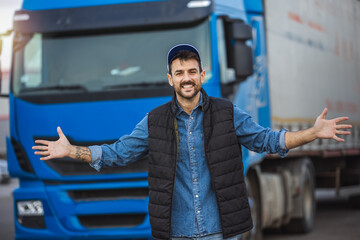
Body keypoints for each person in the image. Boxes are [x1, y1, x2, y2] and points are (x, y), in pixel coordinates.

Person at [32, 44, 352, 240]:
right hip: (175, 233)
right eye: (179, 72)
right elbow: (119, 152)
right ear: (170, 79)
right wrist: (70, 150)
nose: (186, 77)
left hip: (219, 231)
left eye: (192, 71)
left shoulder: (228, 114)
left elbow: (268, 140)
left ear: (202, 75)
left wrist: (313, 133)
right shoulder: (155, 121)